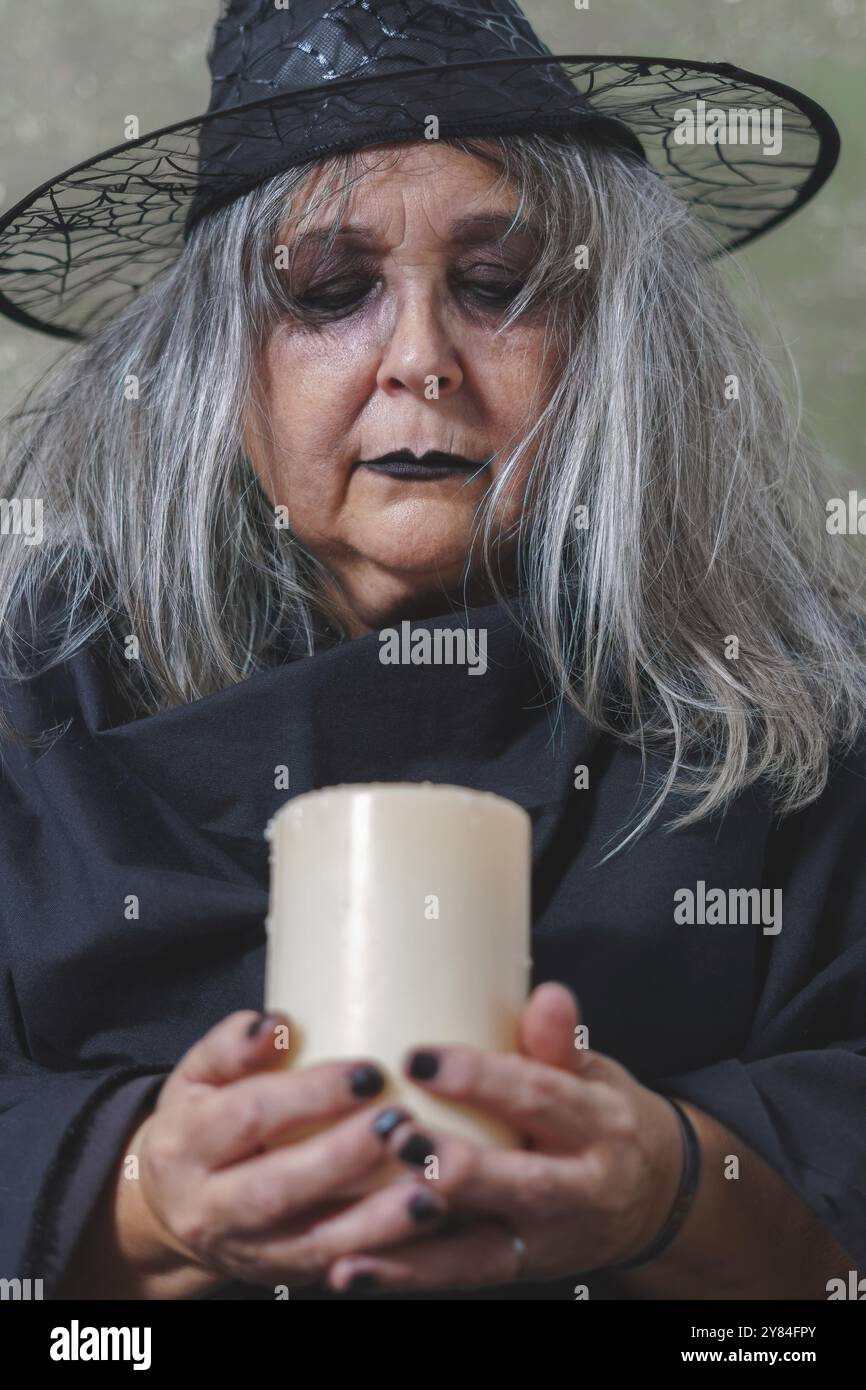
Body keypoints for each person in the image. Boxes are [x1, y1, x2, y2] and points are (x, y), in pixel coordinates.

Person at [0, 0, 863, 1301]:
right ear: (221, 369)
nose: (421, 362)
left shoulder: (792, 721)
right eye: (329, 293)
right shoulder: (33, 711)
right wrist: (139, 1192)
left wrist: (673, 1180)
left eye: (497, 285)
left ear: (598, 343)